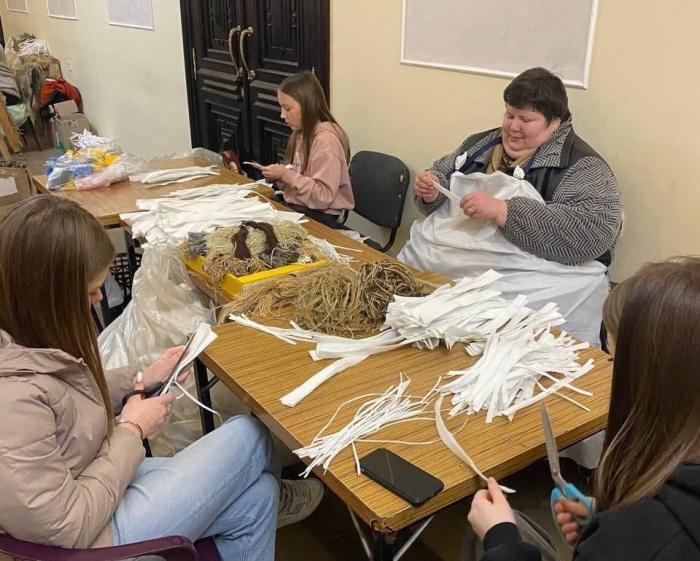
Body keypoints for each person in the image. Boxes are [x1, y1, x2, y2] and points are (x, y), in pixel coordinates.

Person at [0, 196, 286, 560]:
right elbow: (67, 526)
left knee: (260, 497)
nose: (99, 298)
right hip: (87, 535)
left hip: (87, 474)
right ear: (48, 297)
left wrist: (140, 378)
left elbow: (61, 396)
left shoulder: (21, 341)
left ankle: (273, 493)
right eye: (90, 291)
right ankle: (281, 490)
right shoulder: (11, 401)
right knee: (250, 435)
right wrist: (132, 430)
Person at [465, 257, 700, 561]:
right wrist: (601, 523)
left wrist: (501, 539)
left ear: (649, 381)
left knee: (488, 533)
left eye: (614, 360)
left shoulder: (638, 537)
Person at [398, 67, 623, 347]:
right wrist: (432, 191)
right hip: (451, 276)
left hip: (530, 289)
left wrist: (504, 212)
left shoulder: (584, 168)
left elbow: (592, 234)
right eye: (509, 115)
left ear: (555, 122)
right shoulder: (479, 146)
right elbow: (441, 174)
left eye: (526, 119)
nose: (513, 127)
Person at [261, 71, 354, 229]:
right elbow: (299, 180)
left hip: (319, 218)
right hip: (300, 209)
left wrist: (286, 175)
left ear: (307, 106)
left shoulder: (326, 141)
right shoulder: (301, 134)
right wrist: (280, 176)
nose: (282, 115)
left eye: (287, 108)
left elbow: (323, 197)